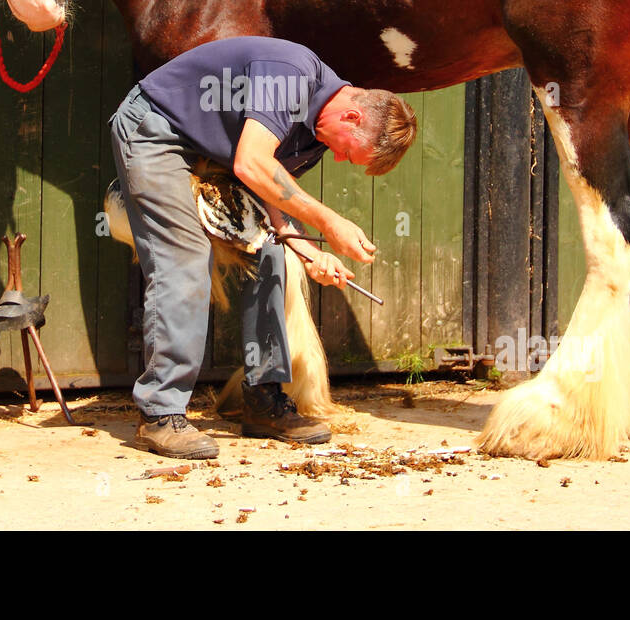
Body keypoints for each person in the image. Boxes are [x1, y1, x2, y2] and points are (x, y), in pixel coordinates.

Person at [109, 35, 418, 459]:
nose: (343, 160)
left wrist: (310, 253)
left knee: (272, 251)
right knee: (184, 258)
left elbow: (266, 192)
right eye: (351, 151)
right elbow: (251, 163)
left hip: (213, 154)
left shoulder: (316, 137)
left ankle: (263, 399)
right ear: (350, 116)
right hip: (158, 131)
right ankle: (160, 413)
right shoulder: (291, 74)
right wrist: (329, 221)